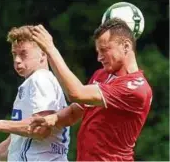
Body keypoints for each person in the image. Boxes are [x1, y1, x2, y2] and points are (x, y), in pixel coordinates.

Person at [28, 18, 153, 161]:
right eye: (98, 51)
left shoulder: (137, 88)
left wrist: (50, 49)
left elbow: (76, 93)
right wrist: (54, 118)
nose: (99, 57)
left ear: (126, 46)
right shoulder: (101, 74)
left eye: (104, 50)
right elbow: (76, 110)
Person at [0, 25, 70, 161]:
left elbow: (41, 130)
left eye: (23, 53)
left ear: (43, 54)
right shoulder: (30, 84)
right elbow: (11, 146)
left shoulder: (41, 79)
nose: (17, 60)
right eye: (14, 54)